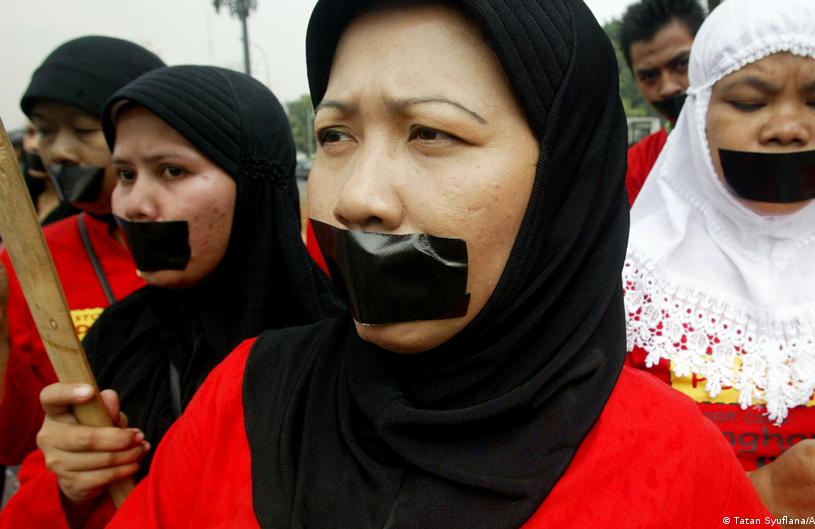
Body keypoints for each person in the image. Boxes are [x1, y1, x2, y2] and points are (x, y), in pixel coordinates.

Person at [105, 1, 769, 528]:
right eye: (336, 136)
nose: (358, 197)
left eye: (431, 133)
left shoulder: (677, 464)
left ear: (562, 180)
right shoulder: (244, 399)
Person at [624, 0, 815, 521]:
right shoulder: (626, 294)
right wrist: (759, 496)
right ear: (700, 119)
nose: (788, 127)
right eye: (750, 103)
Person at [0, 65, 340, 529]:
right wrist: (69, 487)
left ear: (253, 185)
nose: (133, 203)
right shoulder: (113, 340)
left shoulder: (344, 351)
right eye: (124, 174)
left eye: (172, 170)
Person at [0, 36, 163, 468]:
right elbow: (16, 439)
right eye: (45, 130)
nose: (60, 153)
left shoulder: (201, 246)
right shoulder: (31, 259)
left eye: (84, 130)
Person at [618, 0, 706, 203]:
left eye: (682, 64)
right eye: (650, 76)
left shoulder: (769, 141)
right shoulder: (635, 168)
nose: (668, 88)